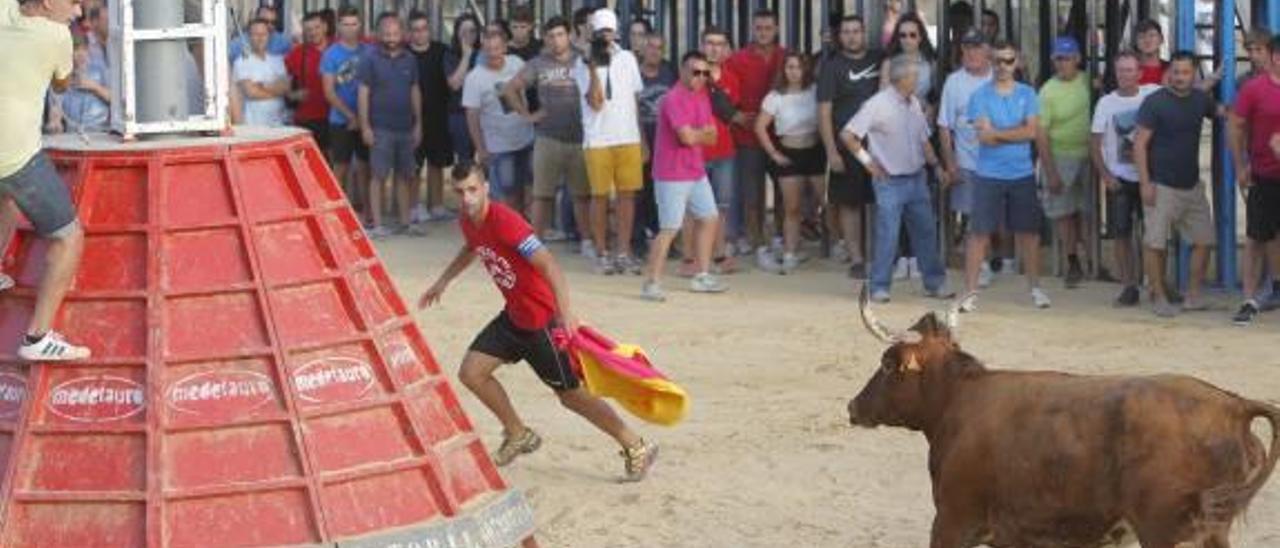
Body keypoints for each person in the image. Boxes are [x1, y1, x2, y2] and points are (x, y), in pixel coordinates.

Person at [418, 161, 658, 482]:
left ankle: (635, 444)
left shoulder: (507, 222)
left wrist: (566, 313)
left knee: (570, 395)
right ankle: (518, 433)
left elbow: (549, 265)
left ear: (486, 188)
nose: (467, 199)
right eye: (460, 192)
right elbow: (471, 248)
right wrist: (443, 282)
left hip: (542, 322)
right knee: (472, 373)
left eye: (473, 190)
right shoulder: (468, 220)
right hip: (514, 316)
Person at [0, 0, 91, 360]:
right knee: (69, 237)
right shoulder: (56, 36)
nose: (79, 12)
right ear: (49, 3)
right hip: (14, 154)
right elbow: (63, 85)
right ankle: (37, 339)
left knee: (3, 199)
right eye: (73, 3)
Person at [843, 54, 952, 302]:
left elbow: (923, 140)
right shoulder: (876, 104)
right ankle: (879, 286)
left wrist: (935, 166)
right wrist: (868, 163)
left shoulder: (913, 102)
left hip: (916, 178)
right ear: (903, 78)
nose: (918, 80)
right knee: (888, 235)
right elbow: (848, 135)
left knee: (925, 233)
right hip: (890, 181)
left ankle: (934, 283)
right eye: (915, 76)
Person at [958, 40, 1050, 312]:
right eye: (997, 60)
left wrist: (997, 132)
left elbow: (1031, 132)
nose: (1002, 66)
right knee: (979, 234)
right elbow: (985, 139)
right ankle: (970, 292)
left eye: (1008, 61)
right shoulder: (979, 96)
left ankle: (1035, 288)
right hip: (988, 174)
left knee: (1029, 234)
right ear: (990, 62)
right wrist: (1014, 131)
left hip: (1021, 174)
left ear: (1017, 63)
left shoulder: (1028, 93)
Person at [1133, 51, 1218, 317]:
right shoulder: (1154, 102)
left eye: (1185, 72)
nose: (1179, 78)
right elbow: (1139, 144)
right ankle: (1158, 296)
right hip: (1161, 185)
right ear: (1169, 73)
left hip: (1191, 185)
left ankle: (1193, 296)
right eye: (1175, 72)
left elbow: (1224, 113)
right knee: (1155, 244)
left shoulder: (1200, 99)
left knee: (1205, 241)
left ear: (1194, 74)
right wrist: (1145, 183)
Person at [641, 51, 729, 301]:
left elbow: (712, 137)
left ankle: (701, 275)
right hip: (671, 174)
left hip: (694, 170)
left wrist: (697, 134)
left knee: (709, 217)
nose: (700, 77)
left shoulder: (700, 96)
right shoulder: (673, 98)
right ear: (682, 70)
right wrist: (699, 134)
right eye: (695, 71)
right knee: (669, 228)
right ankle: (651, 283)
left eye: (705, 73)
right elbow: (688, 137)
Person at [502, 16, 589, 245]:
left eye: (560, 34)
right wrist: (527, 115)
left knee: (581, 196)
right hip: (547, 138)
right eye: (551, 36)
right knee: (542, 195)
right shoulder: (538, 63)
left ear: (569, 35)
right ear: (545, 38)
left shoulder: (583, 61)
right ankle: (535, 243)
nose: (556, 40)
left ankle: (588, 241)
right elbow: (510, 90)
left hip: (580, 138)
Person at [574, 8, 646, 276]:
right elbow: (595, 102)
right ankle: (602, 252)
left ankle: (623, 252)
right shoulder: (581, 63)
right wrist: (592, 67)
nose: (605, 37)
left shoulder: (627, 58)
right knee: (600, 197)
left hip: (627, 136)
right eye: (599, 32)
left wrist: (642, 138)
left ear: (615, 32)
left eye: (608, 31)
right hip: (598, 139)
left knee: (627, 195)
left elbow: (635, 99)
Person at [1090, 51, 1160, 307]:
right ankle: (1129, 286)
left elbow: (1183, 89)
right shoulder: (1105, 104)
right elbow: (1094, 143)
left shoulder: (1152, 94)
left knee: (1154, 233)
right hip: (1119, 180)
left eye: (1130, 70)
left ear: (1139, 73)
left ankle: (1156, 284)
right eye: (1121, 70)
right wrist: (1106, 176)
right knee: (1121, 235)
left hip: (1147, 177)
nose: (1125, 75)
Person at [818, 15, 882, 279]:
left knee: (882, 201)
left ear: (864, 33)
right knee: (850, 204)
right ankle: (857, 258)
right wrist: (831, 151)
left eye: (856, 31)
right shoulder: (832, 67)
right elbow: (824, 113)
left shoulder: (880, 58)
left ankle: (881, 255)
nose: (852, 36)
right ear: (839, 36)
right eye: (846, 32)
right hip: (846, 145)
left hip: (880, 144)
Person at [880, 10, 938, 281]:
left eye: (912, 34)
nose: (907, 39)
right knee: (896, 200)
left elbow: (936, 98)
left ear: (921, 37)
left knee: (919, 200)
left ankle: (916, 256)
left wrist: (927, 115)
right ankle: (901, 256)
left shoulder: (931, 63)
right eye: (902, 34)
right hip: (895, 137)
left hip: (922, 135)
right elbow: (882, 98)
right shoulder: (889, 63)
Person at [725, 9, 786, 267]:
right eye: (759, 28)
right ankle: (757, 242)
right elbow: (724, 92)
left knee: (785, 191)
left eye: (768, 28)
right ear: (752, 29)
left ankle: (781, 239)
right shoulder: (737, 59)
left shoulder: (786, 56)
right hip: (748, 137)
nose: (763, 32)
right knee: (753, 196)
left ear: (777, 29)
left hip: (782, 136)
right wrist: (734, 115)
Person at [755, 53, 825, 274]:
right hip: (789, 152)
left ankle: (835, 244)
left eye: (798, 67)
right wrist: (774, 153)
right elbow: (759, 127)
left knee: (827, 201)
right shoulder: (775, 96)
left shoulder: (815, 91)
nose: (794, 71)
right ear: (784, 70)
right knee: (792, 208)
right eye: (790, 67)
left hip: (814, 151)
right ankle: (790, 252)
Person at [1227, 35, 1280, 325]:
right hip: (1264, 174)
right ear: (1273, 57)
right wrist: (1240, 165)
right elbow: (1235, 126)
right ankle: (1248, 299)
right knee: (1256, 237)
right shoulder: (1254, 89)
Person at [358, 13, 422, 238]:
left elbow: (415, 90)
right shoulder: (369, 58)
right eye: (387, 33)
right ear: (378, 34)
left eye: (395, 33)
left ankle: (406, 223)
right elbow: (363, 92)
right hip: (380, 128)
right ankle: (377, 225)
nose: (391, 37)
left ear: (402, 34)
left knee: (406, 175)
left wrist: (419, 124)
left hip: (406, 126)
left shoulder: (410, 59)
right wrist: (365, 126)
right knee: (378, 176)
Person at [937, 30, 993, 283]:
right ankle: (980, 265)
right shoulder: (953, 81)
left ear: (988, 50)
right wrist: (951, 162)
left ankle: (993, 260)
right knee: (973, 214)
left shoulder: (999, 77)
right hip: (967, 160)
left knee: (992, 214)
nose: (971, 52)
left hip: (998, 160)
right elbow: (944, 125)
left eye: (977, 47)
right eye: (967, 47)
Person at [1036, 36, 1090, 289]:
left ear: (1077, 59)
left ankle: (1090, 260)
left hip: (1088, 156)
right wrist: (1051, 171)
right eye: (1058, 58)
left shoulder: (1088, 82)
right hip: (1060, 157)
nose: (1062, 63)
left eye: (1067, 58)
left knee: (1086, 212)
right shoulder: (1047, 91)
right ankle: (1072, 262)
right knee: (1064, 214)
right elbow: (1041, 135)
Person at [464, 21, 535, 214]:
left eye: (496, 48)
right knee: (506, 194)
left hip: (527, 140)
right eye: (488, 49)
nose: (493, 53)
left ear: (505, 47)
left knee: (529, 187)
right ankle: (508, 232)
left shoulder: (517, 64)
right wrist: (481, 149)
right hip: (499, 147)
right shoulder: (474, 78)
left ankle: (523, 230)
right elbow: (472, 117)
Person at [688, 26, 741, 274]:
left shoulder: (732, 78)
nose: (714, 48)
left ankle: (718, 256)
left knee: (721, 206)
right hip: (696, 152)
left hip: (724, 152)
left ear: (727, 49)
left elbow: (733, 114)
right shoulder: (691, 76)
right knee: (691, 207)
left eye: (720, 43)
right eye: (709, 43)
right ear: (701, 45)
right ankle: (690, 260)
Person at [321, 7, 373, 223]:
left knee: (365, 168)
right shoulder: (331, 54)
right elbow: (329, 92)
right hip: (340, 120)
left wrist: (362, 118)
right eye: (345, 24)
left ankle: (368, 212)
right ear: (338, 26)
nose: (350, 28)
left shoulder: (369, 51)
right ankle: (332, 213)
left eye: (354, 24)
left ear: (360, 25)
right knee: (339, 167)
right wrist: (351, 116)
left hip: (366, 120)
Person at [407, 11, 454, 224]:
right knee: (415, 166)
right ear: (410, 32)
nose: (420, 33)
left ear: (429, 30)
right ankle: (415, 206)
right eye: (416, 29)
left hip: (438, 115)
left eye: (424, 29)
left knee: (437, 163)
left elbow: (452, 81)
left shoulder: (441, 50)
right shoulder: (404, 54)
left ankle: (437, 205)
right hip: (411, 119)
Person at [635, 32, 677, 260]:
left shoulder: (670, 74)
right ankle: (638, 239)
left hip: (665, 142)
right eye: (650, 46)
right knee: (640, 191)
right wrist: (642, 143)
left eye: (659, 47)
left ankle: (664, 240)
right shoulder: (634, 74)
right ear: (642, 48)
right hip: (642, 139)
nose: (654, 51)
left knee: (664, 193)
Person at [285, 11, 332, 151]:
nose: (313, 32)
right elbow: (283, 86)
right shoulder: (297, 53)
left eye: (316, 27)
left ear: (325, 27)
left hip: (335, 118)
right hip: (306, 120)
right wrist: (293, 95)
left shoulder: (337, 48)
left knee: (335, 166)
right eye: (308, 29)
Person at [46, 34, 110, 134]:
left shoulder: (100, 70)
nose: (81, 54)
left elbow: (116, 102)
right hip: (71, 133)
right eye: (76, 49)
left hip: (101, 131)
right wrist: (55, 123)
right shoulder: (60, 76)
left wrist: (94, 87)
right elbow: (55, 108)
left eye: (84, 49)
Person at [234, 18, 292, 128]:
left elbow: (285, 88)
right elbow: (251, 92)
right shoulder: (242, 61)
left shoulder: (278, 60)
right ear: (249, 37)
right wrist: (275, 89)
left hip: (279, 124)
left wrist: (261, 85)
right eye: (256, 34)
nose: (260, 38)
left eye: (263, 34)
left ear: (269, 37)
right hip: (254, 126)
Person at [445, 14, 482, 165]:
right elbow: (455, 84)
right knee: (465, 163)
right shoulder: (450, 54)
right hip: (460, 115)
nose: (468, 35)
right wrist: (466, 55)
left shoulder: (483, 53)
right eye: (464, 31)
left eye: (472, 31)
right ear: (457, 33)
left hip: (483, 114)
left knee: (487, 163)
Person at [1135, 19, 1168, 86]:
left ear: (1161, 39)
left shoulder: (1170, 69)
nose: (1147, 40)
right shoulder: (1129, 69)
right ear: (1136, 42)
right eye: (1141, 37)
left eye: (1152, 35)